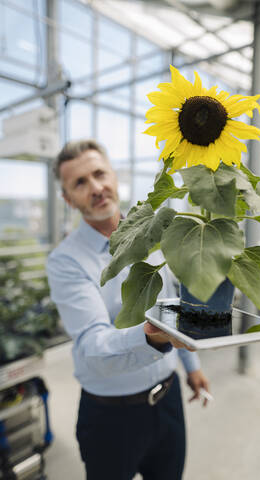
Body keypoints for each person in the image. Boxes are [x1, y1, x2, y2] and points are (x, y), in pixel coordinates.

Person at [46, 139, 210, 480]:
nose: (96, 187)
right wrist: (152, 337)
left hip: (168, 400)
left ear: (114, 175)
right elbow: (93, 345)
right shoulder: (66, 262)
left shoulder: (151, 231)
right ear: (67, 199)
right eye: (80, 183)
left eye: (99, 173)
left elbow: (171, 300)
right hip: (111, 418)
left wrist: (191, 365)